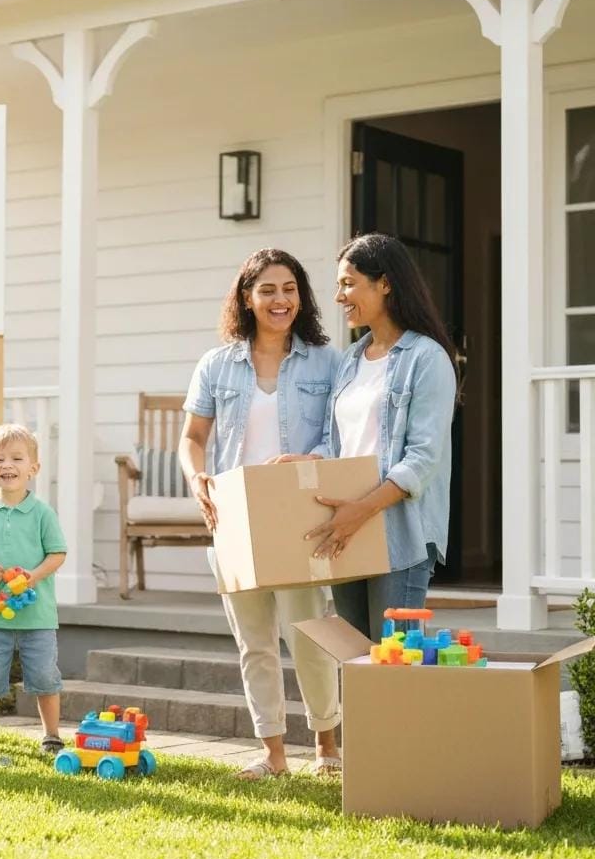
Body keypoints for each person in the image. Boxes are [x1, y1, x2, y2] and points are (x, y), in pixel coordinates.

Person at [178, 248, 343, 780]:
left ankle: (326, 748)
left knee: (311, 638)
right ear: (247, 298)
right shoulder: (217, 363)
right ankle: (272, 754)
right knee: (255, 644)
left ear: (302, 296)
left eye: (289, 289)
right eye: (268, 290)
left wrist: (311, 458)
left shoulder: (327, 360)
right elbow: (193, 438)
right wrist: (195, 477)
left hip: (299, 513)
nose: (280, 300)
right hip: (233, 518)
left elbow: (341, 437)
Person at [283, 233, 458, 642]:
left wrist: (361, 509)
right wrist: (308, 461)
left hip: (400, 532)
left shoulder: (426, 359)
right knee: (356, 657)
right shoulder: (351, 360)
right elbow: (335, 442)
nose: (339, 296)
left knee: (393, 661)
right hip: (346, 527)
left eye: (348, 283)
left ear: (385, 283)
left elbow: (422, 459)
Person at [0, 424, 67, 759]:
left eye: (17, 458)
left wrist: (33, 577)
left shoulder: (42, 513)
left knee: (45, 676)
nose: (8, 464)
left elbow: (58, 554)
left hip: (37, 615)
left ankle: (51, 735)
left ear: (33, 469)